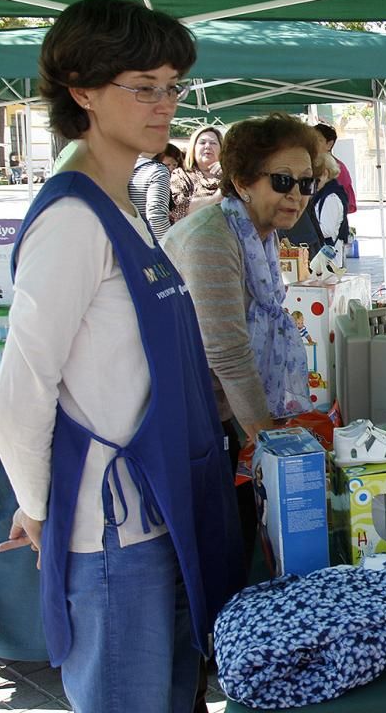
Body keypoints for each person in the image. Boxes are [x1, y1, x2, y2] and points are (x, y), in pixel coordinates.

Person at [0, 0, 242, 712]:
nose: (166, 104)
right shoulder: (73, 218)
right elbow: (23, 382)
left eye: (173, 86)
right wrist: (40, 506)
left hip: (160, 511)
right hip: (108, 534)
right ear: (80, 89)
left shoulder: (125, 205)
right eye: (145, 87)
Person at [163, 113, 317, 590]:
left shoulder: (259, 236)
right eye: (283, 180)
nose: (297, 194)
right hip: (181, 417)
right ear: (241, 182)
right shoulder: (213, 236)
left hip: (213, 413)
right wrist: (269, 443)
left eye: (306, 182)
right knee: (212, 553)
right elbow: (227, 352)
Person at [128, 143, 181, 240]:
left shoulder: (122, 165)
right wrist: (168, 247)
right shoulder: (157, 170)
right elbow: (156, 216)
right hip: (147, 241)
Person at [170, 125, 222, 221]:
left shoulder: (233, 175)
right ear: (193, 148)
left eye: (213, 143)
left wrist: (229, 176)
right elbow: (178, 209)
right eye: (202, 142)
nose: (208, 146)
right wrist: (217, 197)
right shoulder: (181, 175)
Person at [311, 152, 349, 269]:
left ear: (325, 173)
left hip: (328, 260)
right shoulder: (324, 194)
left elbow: (327, 230)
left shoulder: (331, 197)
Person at [313, 122, 356, 215]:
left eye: (318, 140)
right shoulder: (308, 164)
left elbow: (348, 203)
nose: (312, 144)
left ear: (329, 144)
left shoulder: (339, 168)